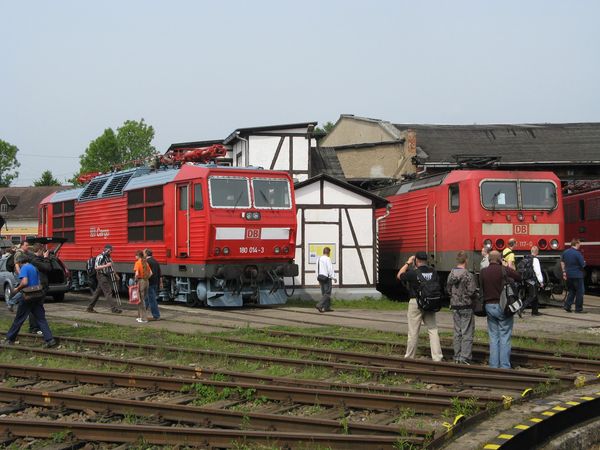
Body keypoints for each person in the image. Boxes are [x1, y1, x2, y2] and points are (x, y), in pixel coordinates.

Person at [2, 253, 58, 348]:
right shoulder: (33, 267)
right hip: (37, 295)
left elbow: (25, 282)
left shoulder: (24, 268)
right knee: (41, 319)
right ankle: (50, 340)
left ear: (20, 262)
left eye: (18, 263)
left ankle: (10, 339)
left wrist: (17, 289)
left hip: (28, 296)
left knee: (19, 318)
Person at [396, 251, 443, 362]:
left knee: (413, 332)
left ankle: (410, 357)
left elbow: (399, 275)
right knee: (433, 329)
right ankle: (437, 357)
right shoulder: (433, 272)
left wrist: (408, 263)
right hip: (430, 303)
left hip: (416, 303)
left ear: (416, 260)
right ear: (426, 260)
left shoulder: (413, 273)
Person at [480, 250, 522, 369]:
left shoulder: (483, 272)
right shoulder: (504, 270)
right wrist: (505, 266)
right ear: (500, 259)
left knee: (493, 337)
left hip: (489, 306)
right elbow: (518, 277)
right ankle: (504, 366)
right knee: (504, 336)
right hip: (503, 306)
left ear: (489, 259)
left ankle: (493, 365)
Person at [447, 251, 477, 365]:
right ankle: (465, 357)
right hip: (466, 306)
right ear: (466, 260)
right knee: (467, 332)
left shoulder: (451, 274)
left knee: (457, 332)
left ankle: (457, 356)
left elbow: (448, 290)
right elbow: (472, 291)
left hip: (455, 306)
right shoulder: (468, 275)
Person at [86, 244, 122, 314]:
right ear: (108, 250)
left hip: (105, 276)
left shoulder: (108, 257)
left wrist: (115, 274)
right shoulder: (100, 257)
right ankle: (113, 309)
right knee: (108, 291)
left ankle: (90, 308)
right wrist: (106, 265)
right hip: (101, 275)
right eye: (111, 251)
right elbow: (96, 267)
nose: (111, 252)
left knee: (97, 292)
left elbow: (111, 267)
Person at [561, 238, 586, 313]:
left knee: (572, 291)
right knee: (580, 292)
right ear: (576, 244)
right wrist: (584, 262)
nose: (580, 245)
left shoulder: (565, 252)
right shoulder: (577, 253)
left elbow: (562, 262)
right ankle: (578, 309)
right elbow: (583, 264)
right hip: (577, 275)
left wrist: (564, 272)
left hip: (569, 275)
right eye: (579, 244)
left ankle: (567, 306)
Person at [524, 246, 544, 316]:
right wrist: (541, 281)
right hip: (533, 280)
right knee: (532, 296)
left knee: (535, 295)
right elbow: (537, 271)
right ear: (537, 252)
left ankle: (535, 311)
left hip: (527, 279)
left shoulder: (526, 258)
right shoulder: (535, 260)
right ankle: (521, 308)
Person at [315, 247, 336, 313]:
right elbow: (330, 269)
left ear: (323, 252)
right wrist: (334, 277)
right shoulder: (327, 259)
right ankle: (319, 305)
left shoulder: (318, 259)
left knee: (324, 293)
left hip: (320, 277)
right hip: (327, 278)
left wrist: (317, 278)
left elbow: (316, 270)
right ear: (328, 252)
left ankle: (327, 307)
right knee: (327, 293)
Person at [133, 250, 150, 323]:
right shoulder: (146, 263)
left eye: (135, 255)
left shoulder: (137, 263)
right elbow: (151, 273)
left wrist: (135, 280)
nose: (135, 257)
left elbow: (136, 274)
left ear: (138, 256)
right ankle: (140, 317)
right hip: (146, 281)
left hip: (141, 282)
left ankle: (144, 318)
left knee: (140, 300)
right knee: (143, 299)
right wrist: (146, 278)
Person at [144, 248, 161, 321]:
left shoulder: (146, 262)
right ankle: (142, 313)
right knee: (146, 299)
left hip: (149, 283)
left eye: (144, 253)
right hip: (155, 282)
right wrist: (160, 283)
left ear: (146, 254)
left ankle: (156, 315)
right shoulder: (155, 261)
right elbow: (159, 273)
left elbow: (147, 273)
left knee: (152, 300)